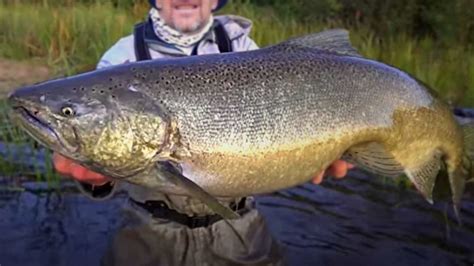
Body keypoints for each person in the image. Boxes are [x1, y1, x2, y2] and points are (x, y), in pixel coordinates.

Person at [53, 0, 354, 265]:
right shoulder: (121, 57)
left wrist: (320, 152)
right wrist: (95, 175)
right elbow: (98, 143)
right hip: (149, 229)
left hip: (239, 228)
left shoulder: (244, 49)